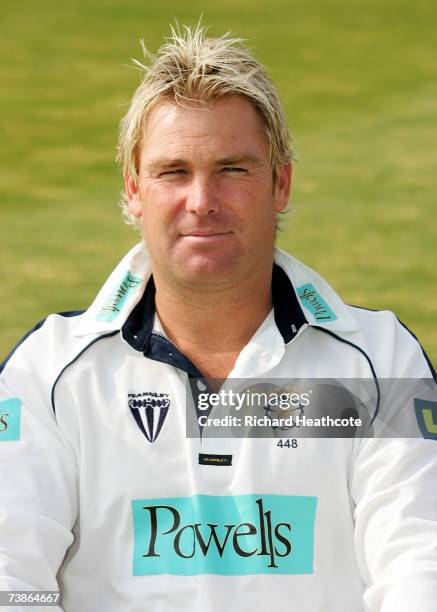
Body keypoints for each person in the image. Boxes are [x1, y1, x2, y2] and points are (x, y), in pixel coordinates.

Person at [1, 23, 436, 612]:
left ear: (280, 183)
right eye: (173, 172)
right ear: (134, 190)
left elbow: (419, 568)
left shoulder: (381, 360)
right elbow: (12, 578)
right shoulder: (46, 373)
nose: (201, 199)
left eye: (232, 169)